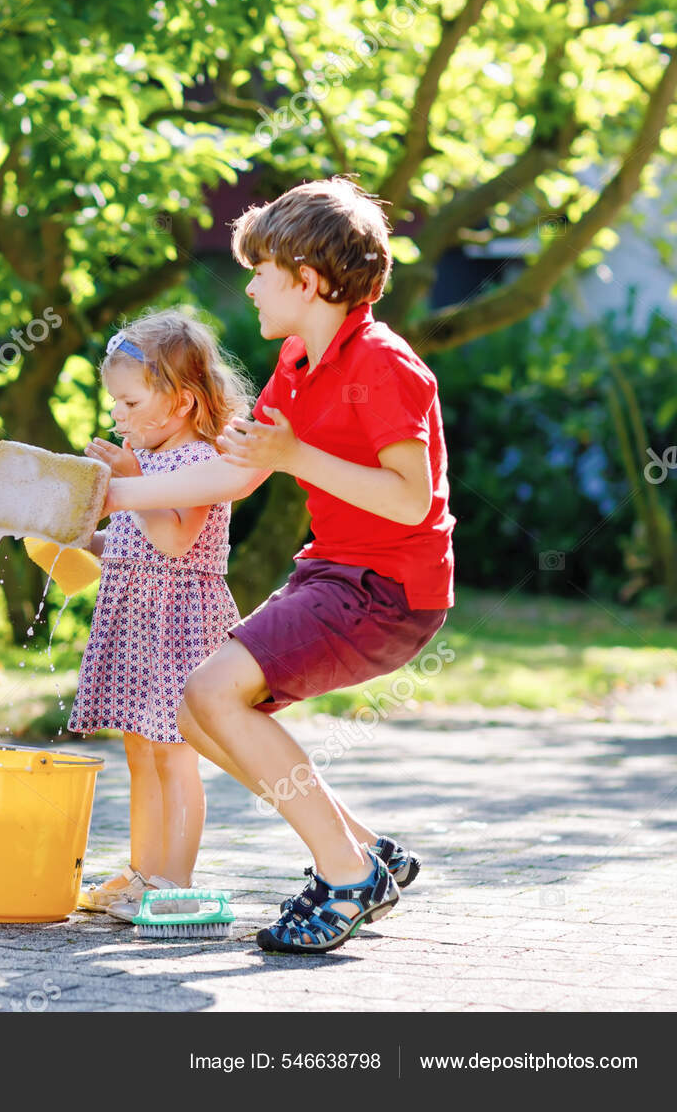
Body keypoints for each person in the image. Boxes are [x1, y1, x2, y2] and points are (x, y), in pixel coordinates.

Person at [101, 177, 454, 953]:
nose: (250, 285)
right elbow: (232, 472)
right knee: (200, 710)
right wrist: (118, 493)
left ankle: (346, 873)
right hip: (332, 572)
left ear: (308, 280)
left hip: (388, 587)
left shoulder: (384, 366)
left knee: (211, 691)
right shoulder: (298, 359)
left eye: (261, 270)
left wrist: (298, 454)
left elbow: (410, 501)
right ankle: (367, 849)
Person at [69, 309, 251, 920]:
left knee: (174, 754)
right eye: (114, 402)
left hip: (179, 624)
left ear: (179, 402)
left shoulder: (201, 461)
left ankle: (174, 883)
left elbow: (174, 541)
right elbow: (129, 543)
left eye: (128, 401)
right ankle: (143, 870)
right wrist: (76, 540)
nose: (116, 414)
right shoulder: (142, 459)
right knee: (139, 752)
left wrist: (131, 477)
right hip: (134, 621)